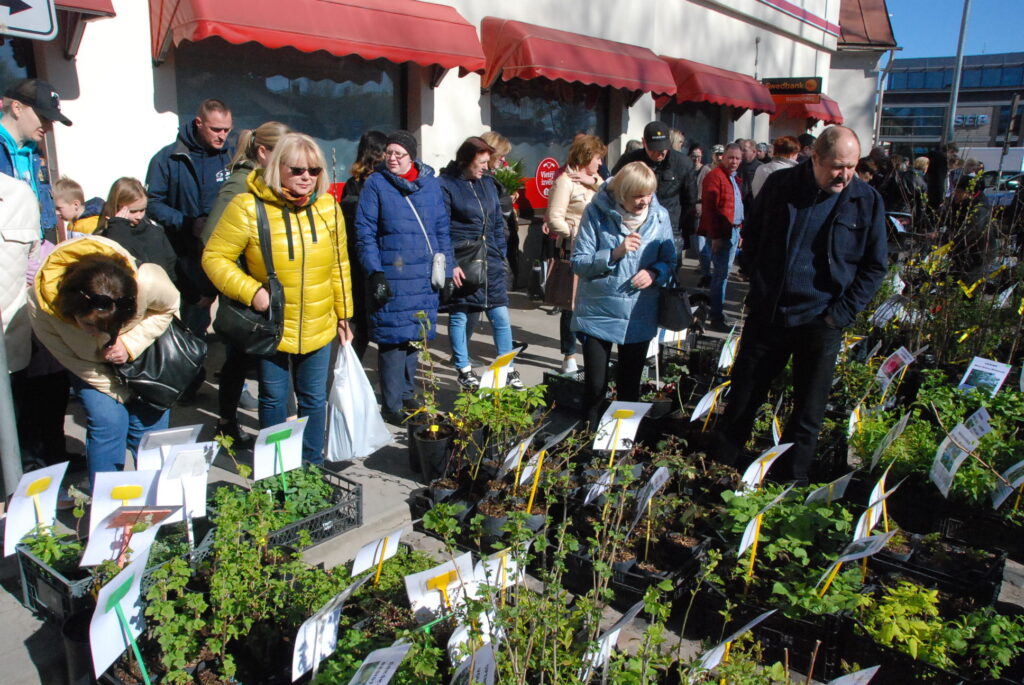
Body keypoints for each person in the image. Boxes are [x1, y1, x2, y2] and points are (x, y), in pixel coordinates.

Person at [711, 126, 887, 484]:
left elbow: (874, 266)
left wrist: (840, 314)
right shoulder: (781, 187)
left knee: (809, 409)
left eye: (852, 166)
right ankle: (718, 470)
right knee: (744, 394)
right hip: (770, 312)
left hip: (822, 319)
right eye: (838, 166)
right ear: (814, 158)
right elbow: (754, 234)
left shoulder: (865, 200)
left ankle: (790, 482)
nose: (845, 174)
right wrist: (754, 275)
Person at [204, 133, 353, 464]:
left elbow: (340, 263)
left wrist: (345, 314)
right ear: (278, 167)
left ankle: (312, 472)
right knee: (273, 397)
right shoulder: (248, 206)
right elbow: (214, 257)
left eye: (314, 171)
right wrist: (251, 291)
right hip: (271, 325)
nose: (306, 178)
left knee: (313, 399)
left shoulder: (328, 207)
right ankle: (277, 469)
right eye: (298, 169)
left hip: (319, 322)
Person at [28, 236, 180, 485]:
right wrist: (118, 391)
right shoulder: (41, 304)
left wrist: (130, 345)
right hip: (88, 367)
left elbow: (170, 306)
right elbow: (67, 357)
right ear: (71, 307)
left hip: (142, 359)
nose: (97, 333)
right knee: (108, 422)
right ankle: (108, 508)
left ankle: (157, 504)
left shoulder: (146, 281)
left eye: (110, 325)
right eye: (88, 324)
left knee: (149, 429)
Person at [202, 121, 292, 443]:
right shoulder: (240, 184)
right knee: (242, 358)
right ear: (264, 152)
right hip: (248, 292)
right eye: (283, 154)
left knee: (244, 359)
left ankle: (230, 423)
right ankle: (228, 424)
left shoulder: (268, 183)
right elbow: (212, 239)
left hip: (266, 290)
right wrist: (243, 277)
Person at [355, 131, 453, 424]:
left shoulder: (430, 185)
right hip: (392, 273)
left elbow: (441, 231)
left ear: (412, 156)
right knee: (392, 341)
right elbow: (365, 233)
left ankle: (408, 393)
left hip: (423, 276)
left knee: (414, 338)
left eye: (399, 153)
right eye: (389, 153)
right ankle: (392, 403)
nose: (393, 158)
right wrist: (375, 272)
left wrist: (447, 271)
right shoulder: (376, 184)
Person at [571, 161, 676, 429]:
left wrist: (655, 273)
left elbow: (669, 260)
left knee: (630, 387)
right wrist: (615, 253)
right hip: (598, 311)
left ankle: (624, 446)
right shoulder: (596, 213)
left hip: (638, 314)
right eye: (638, 196)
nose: (644, 202)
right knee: (595, 387)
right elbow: (579, 263)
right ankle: (587, 442)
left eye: (649, 194)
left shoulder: (659, 216)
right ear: (621, 194)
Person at [146, 99, 235, 338]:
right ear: (199, 123)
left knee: (235, 323)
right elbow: (152, 204)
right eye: (216, 129)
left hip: (228, 251)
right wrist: (187, 222)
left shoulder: (233, 157)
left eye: (227, 130)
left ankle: (230, 369)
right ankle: (191, 366)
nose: (222, 136)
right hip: (187, 253)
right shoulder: (168, 158)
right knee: (192, 320)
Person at [440, 136, 521, 390]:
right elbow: (440, 228)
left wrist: (500, 253)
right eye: (482, 162)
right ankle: (464, 369)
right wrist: (450, 263)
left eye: (488, 161)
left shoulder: (488, 183)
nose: (487, 167)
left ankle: (506, 367)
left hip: (491, 259)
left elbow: (498, 222)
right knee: (460, 314)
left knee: (500, 316)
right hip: (463, 259)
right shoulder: (445, 185)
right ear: (466, 160)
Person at [545, 134, 606, 375]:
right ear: (587, 156)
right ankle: (569, 356)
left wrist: (593, 181)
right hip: (574, 250)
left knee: (592, 303)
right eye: (598, 158)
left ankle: (591, 353)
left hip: (598, 251)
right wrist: (573, 232)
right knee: (571, 304)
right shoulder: (565, 181)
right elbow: (554, 218)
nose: (600, 163)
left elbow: (612, 198)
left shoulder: (596, 180)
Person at [0, 79, 71, 239]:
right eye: (43, 117)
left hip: (36, 251)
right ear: (17, 108)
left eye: (51, 121)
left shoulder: (36, 156)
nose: (48, 127)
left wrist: (49, 244)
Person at [611, 122, 694, 254]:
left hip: (671, 227)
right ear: (644, 143)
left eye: (663, 149)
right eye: (654, 150)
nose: (659, 154)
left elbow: (690, 201)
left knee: (667, 269)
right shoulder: (630, 160)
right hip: (635, 225)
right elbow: (613, 187)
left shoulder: (683, 164)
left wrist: (682, 230)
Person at [341, 130, 387, 359]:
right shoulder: (381, 184)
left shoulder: (352, 184)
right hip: (377, 256)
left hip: (355, 256)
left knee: (360, 316)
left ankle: (355, 365)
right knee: (377, 314)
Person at [697, 143, 744, 330]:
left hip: (732, 230)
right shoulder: (715, 177)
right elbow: (710, 208)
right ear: (722, 157)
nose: (734, 161)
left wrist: (739, 230)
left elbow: (736, 205)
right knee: (720, 275)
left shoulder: (732, 178)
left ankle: (718, 312)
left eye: (737, 158)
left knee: (723, 274)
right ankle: (716, 316)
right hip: (722, 233)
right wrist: (715, 236)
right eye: (731, 157)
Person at [94, 177, 177, 280]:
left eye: (142, 210)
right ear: (116, 207)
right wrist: (117, 228)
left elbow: (171, 268)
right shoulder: (103, 236)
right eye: (133, 211)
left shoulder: (155, 233)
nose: (139, 216)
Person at [737, 139, 763, 210]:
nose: (741, 153)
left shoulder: (760, 168)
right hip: (739, 203)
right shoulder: (737, 166)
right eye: (741, 150)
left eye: (744, 150)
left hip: (753, 205)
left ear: (754, 151)